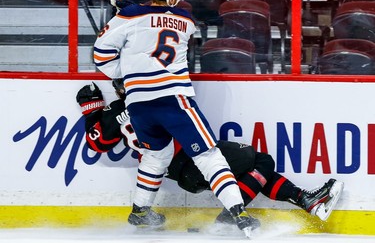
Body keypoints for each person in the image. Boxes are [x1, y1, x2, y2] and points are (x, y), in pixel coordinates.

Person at [92, 0, 258, 238]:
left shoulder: (129, 17)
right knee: (208, 154)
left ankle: (140, 211)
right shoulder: (186, 21)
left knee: (156, 155)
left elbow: (101, 55)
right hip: (173, 99)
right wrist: (133, 11)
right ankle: (239, 214)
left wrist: (123, 75)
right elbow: (164, 19)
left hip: (139, 104)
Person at [76, 81, 344, 230]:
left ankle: (307, 201)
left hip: (179, 172)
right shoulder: (157, 98)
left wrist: (92, 110)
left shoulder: (113, 114)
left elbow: (96, 143)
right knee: (261, 160)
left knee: (256, 169)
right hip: (195, 159)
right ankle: (232, 216)